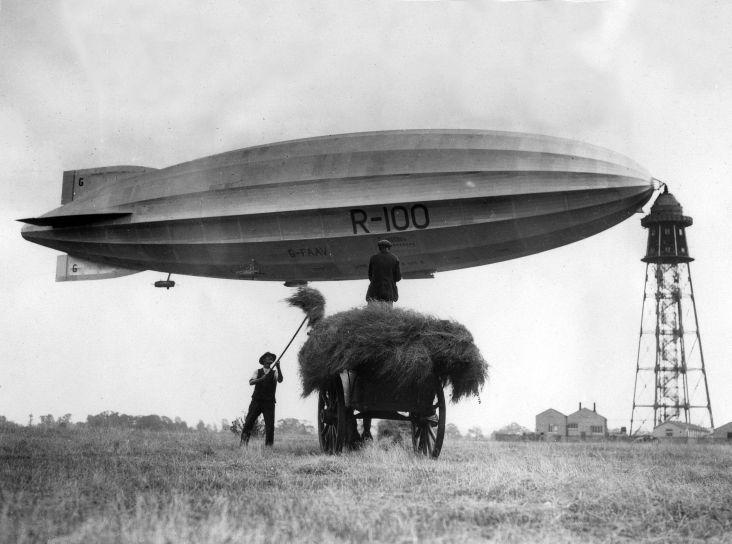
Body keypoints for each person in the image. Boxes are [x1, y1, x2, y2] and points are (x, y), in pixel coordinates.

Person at [240, 351, 283, 446]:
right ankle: (243, 445)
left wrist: (279, 368)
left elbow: (280, 380)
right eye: (268, 357)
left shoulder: (275, 372)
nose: (270, 358)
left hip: (269, 402)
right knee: (249, 422)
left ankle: (268, 448)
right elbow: (251, 382)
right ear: (263, 360)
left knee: (270, 426)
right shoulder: (257, 371)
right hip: (256, 401)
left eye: (271, 358)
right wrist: (260, 379)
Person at [365, 239, 401, 306]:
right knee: (388, 313)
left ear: (379, 248)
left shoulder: (373, 258)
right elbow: (398, 278)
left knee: (372, 312)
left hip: (374, 291)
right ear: (388, 248)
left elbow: (370, 275)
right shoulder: (394, 258)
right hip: (389, 291)